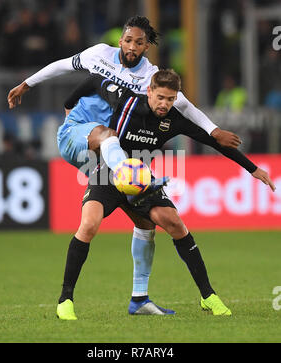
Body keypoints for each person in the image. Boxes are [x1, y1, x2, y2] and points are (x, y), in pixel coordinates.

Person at [7, 16, 242, 316]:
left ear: (146, 47)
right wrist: (27, 84)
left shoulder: (151, 76)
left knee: (148, 224)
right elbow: (63, 65)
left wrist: (212, 130)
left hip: (110, 152)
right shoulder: (99, 55)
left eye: (139, 43)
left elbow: (184, 106)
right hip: (84, 137)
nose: (132, 46)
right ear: (121, 40)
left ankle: (140, 299)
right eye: (128, 40)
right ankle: (66, 298)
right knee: (108, 140)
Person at [55, 69, 276, 320]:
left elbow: (214, 142)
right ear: (149, 91)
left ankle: (207, 296)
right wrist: (69, 106)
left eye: (170, 99)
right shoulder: (126, 102)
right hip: (108, 172)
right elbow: (95, 80)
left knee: (174, 223)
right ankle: (65, 300)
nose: (164, 104)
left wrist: (253, 168)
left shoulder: (174, 120)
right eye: (160, 97)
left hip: (141, 176)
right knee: (89, 224)